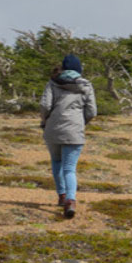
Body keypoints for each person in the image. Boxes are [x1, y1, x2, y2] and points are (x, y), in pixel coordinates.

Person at [40, 54, 97, 219]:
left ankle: (62, 196)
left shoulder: (52, 83)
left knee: (57, 162)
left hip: (53, 130)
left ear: (63, 68)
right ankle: (71, 201)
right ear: (79, 69)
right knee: (69, 168)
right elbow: (92, 111)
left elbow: (45, 105)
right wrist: (81, 122)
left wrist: (45, 121)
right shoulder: (86, 85)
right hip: (75, 131)